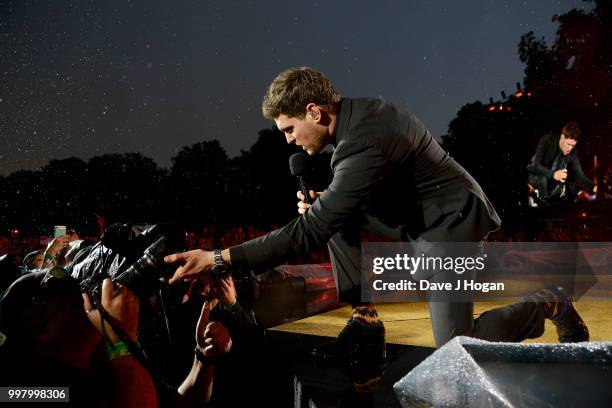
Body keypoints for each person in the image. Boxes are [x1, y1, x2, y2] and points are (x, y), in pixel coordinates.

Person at [164, 67, 589, 391]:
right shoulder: (357, 123)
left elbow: (307, 233)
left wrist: (219, 257)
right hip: (417, 218)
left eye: (290, 129)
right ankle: (364, 327)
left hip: (452, 224)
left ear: (314, 111)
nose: (289, 141)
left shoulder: (361, 141)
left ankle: (548, 301)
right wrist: (324, 208)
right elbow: (337, 214)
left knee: (456, 348)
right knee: (327, 212)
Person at [527, 122, 596, 206]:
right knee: (542, 179)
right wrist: (553, 174)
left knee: (569, 186)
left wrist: (593, 187)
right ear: (562, 137)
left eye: (573, 145)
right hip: (534, 176)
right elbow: (535, 165)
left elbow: (580, 175)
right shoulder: (547, 140)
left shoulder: (573, 153)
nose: (570, 148)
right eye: (568, 144)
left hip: (550, 185)